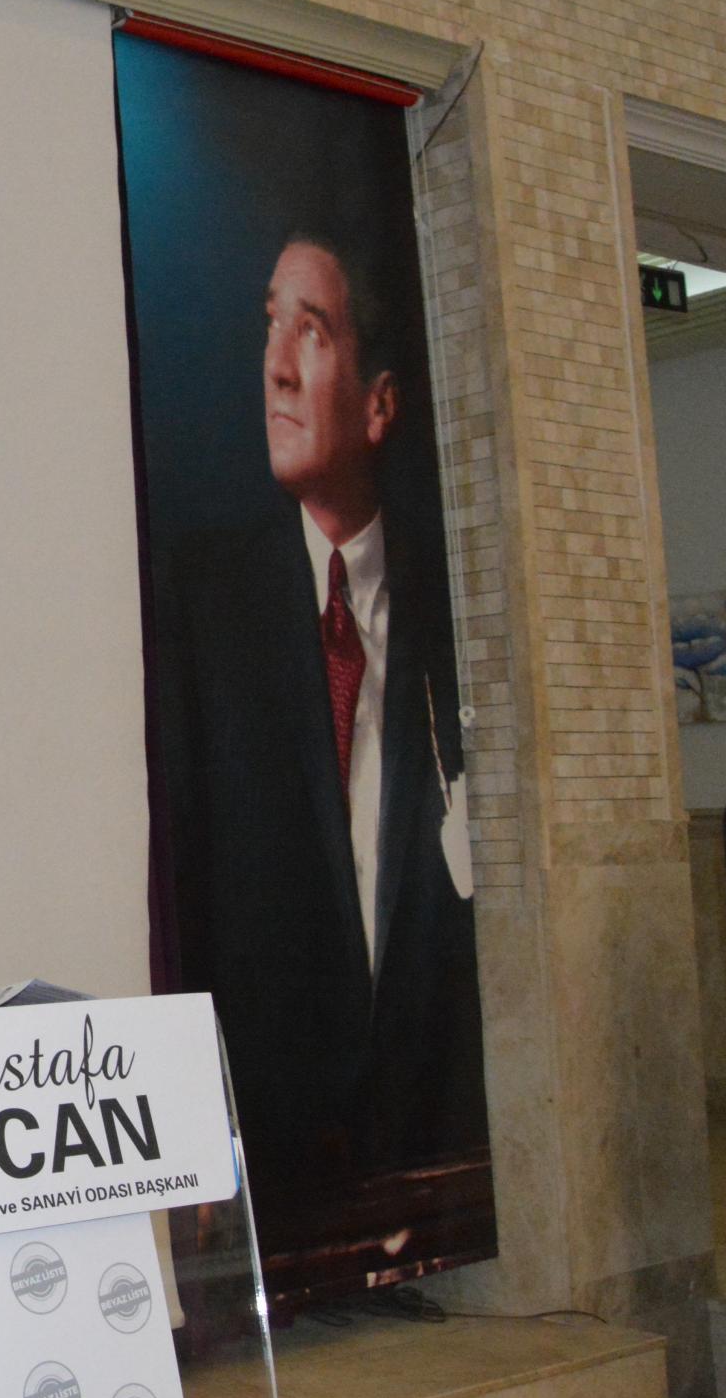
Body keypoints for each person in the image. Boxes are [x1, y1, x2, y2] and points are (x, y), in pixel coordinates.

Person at [159, 232, 488, 1207]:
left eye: (310, 332)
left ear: (380, 403)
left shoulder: (454, 613)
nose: (275, 368)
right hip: (267, 1162)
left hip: (433, 1158)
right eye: (271, 326)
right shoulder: (204, 607)